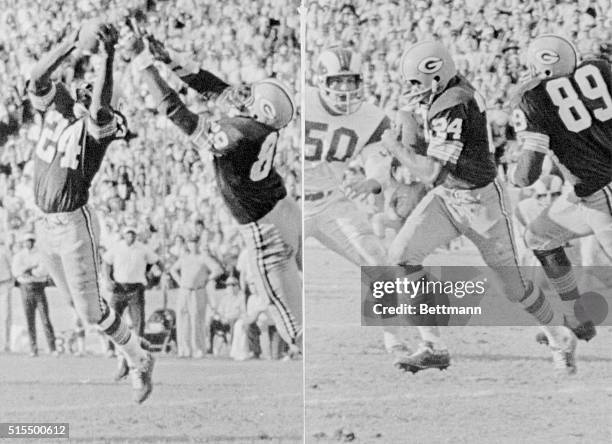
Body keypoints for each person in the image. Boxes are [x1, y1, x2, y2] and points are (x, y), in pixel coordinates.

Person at [382, 40, 576, 374]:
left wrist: (394, 145)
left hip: (481, 201)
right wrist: (410, 129)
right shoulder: (447, 95)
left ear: (436, 75)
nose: (412, 89)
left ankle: (559, 337)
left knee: (515, 289)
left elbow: (430, 171)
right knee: (402, 256)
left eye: (416, 81)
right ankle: (433, 346)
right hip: (448, 196)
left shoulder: (454, 102)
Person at [128, 34, 303, 355]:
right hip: (287, 212)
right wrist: (168, 57)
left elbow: (175, 111)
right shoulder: (258, 125)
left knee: (291, 322)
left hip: (267, 232)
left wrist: (144, 64)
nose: (242, 95)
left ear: (261, 109)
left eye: (250, 96)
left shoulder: (239, 134)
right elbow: (213, 87)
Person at [27, 23, 154, 403]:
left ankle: (138, 357)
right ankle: (128, 345)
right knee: (78, 306)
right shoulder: (59, 100)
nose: (84, 90)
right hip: (43, 224)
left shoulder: (97, 128)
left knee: (91, 312)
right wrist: (69, 42)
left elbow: (100, 106)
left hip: (71, 224)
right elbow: (36, 75)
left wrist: (107, 56)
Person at [304, 46, 411, 362]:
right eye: (337, 81)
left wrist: (372, 181)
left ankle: (394, 340)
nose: (345, 89)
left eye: (351, 81)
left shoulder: (372, 117)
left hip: (330, 203)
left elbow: (378, 162)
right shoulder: (300, 102)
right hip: (289, 202)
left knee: (378, 263)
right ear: (322, 80)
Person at [511, 34, 609, 345]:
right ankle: (576, 316)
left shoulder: (531, 96)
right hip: (588, 193)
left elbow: (528, 175)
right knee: (540, 235)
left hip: (600, 189)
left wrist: (515, 174)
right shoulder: (601, 69)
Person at [103, 226, 160, 376]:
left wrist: (151, 276)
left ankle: (140, 357)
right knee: (110, 320)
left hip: (136, 288)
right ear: (124, 235)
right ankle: (110, 349)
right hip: (119, 288)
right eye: (128, 234)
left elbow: (156, 261)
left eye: (133, 234)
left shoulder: (142, 248)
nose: (130, 237)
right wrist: (108, 279)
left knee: (138, 323)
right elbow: (106, 262)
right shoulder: (117, 248)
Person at [10, 232, 56, 357]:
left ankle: (52, 347)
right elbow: (16, 271)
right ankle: (33, 348)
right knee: (29, 319)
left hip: (38, 287)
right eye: (27, 241)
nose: (28, 243)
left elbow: (43, 270)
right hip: (25, 288)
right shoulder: (19, 255)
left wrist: (31, 271)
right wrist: (29, 270)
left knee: (45, 318)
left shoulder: (40, 255)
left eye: (31, 241)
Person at [169, 234, 213, 358]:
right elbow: (173, 270)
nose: (192, 245)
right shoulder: (184, 258)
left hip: (197, 291)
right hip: (184, 291)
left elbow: (217, 270)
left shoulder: (202, 258)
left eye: (194, 242)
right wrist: (179, 281)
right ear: (187, 245)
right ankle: (184, 348)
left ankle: (198, 348)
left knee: (196, 319)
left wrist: (206, 280)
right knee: (182, 318)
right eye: (190, 243)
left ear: (198, 244)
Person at [0, 236, 13, 352]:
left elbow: (12, 266)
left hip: (4, 284)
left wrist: (10, 283)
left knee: (5, 316)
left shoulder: (4, 250)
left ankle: (6, 344)